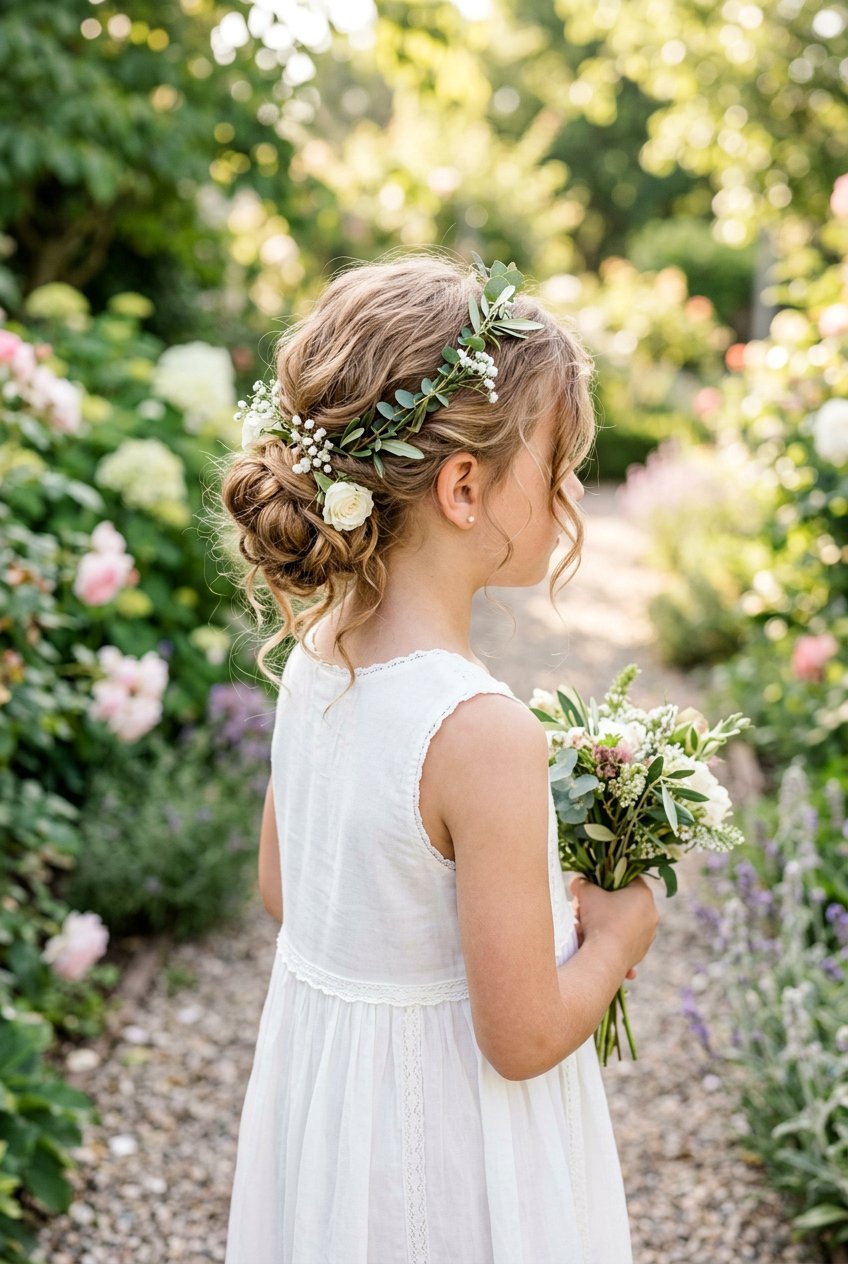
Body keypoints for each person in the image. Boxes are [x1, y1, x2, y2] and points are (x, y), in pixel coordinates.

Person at [217, 250, 660, 1263]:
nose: (571, 489)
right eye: (555, 464)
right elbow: (521, 1037)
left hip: (336, 1133)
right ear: (464, 487)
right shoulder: (480, 732)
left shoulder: (313, 657)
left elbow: (284, 888)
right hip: (448, 1154)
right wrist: (616, 937)